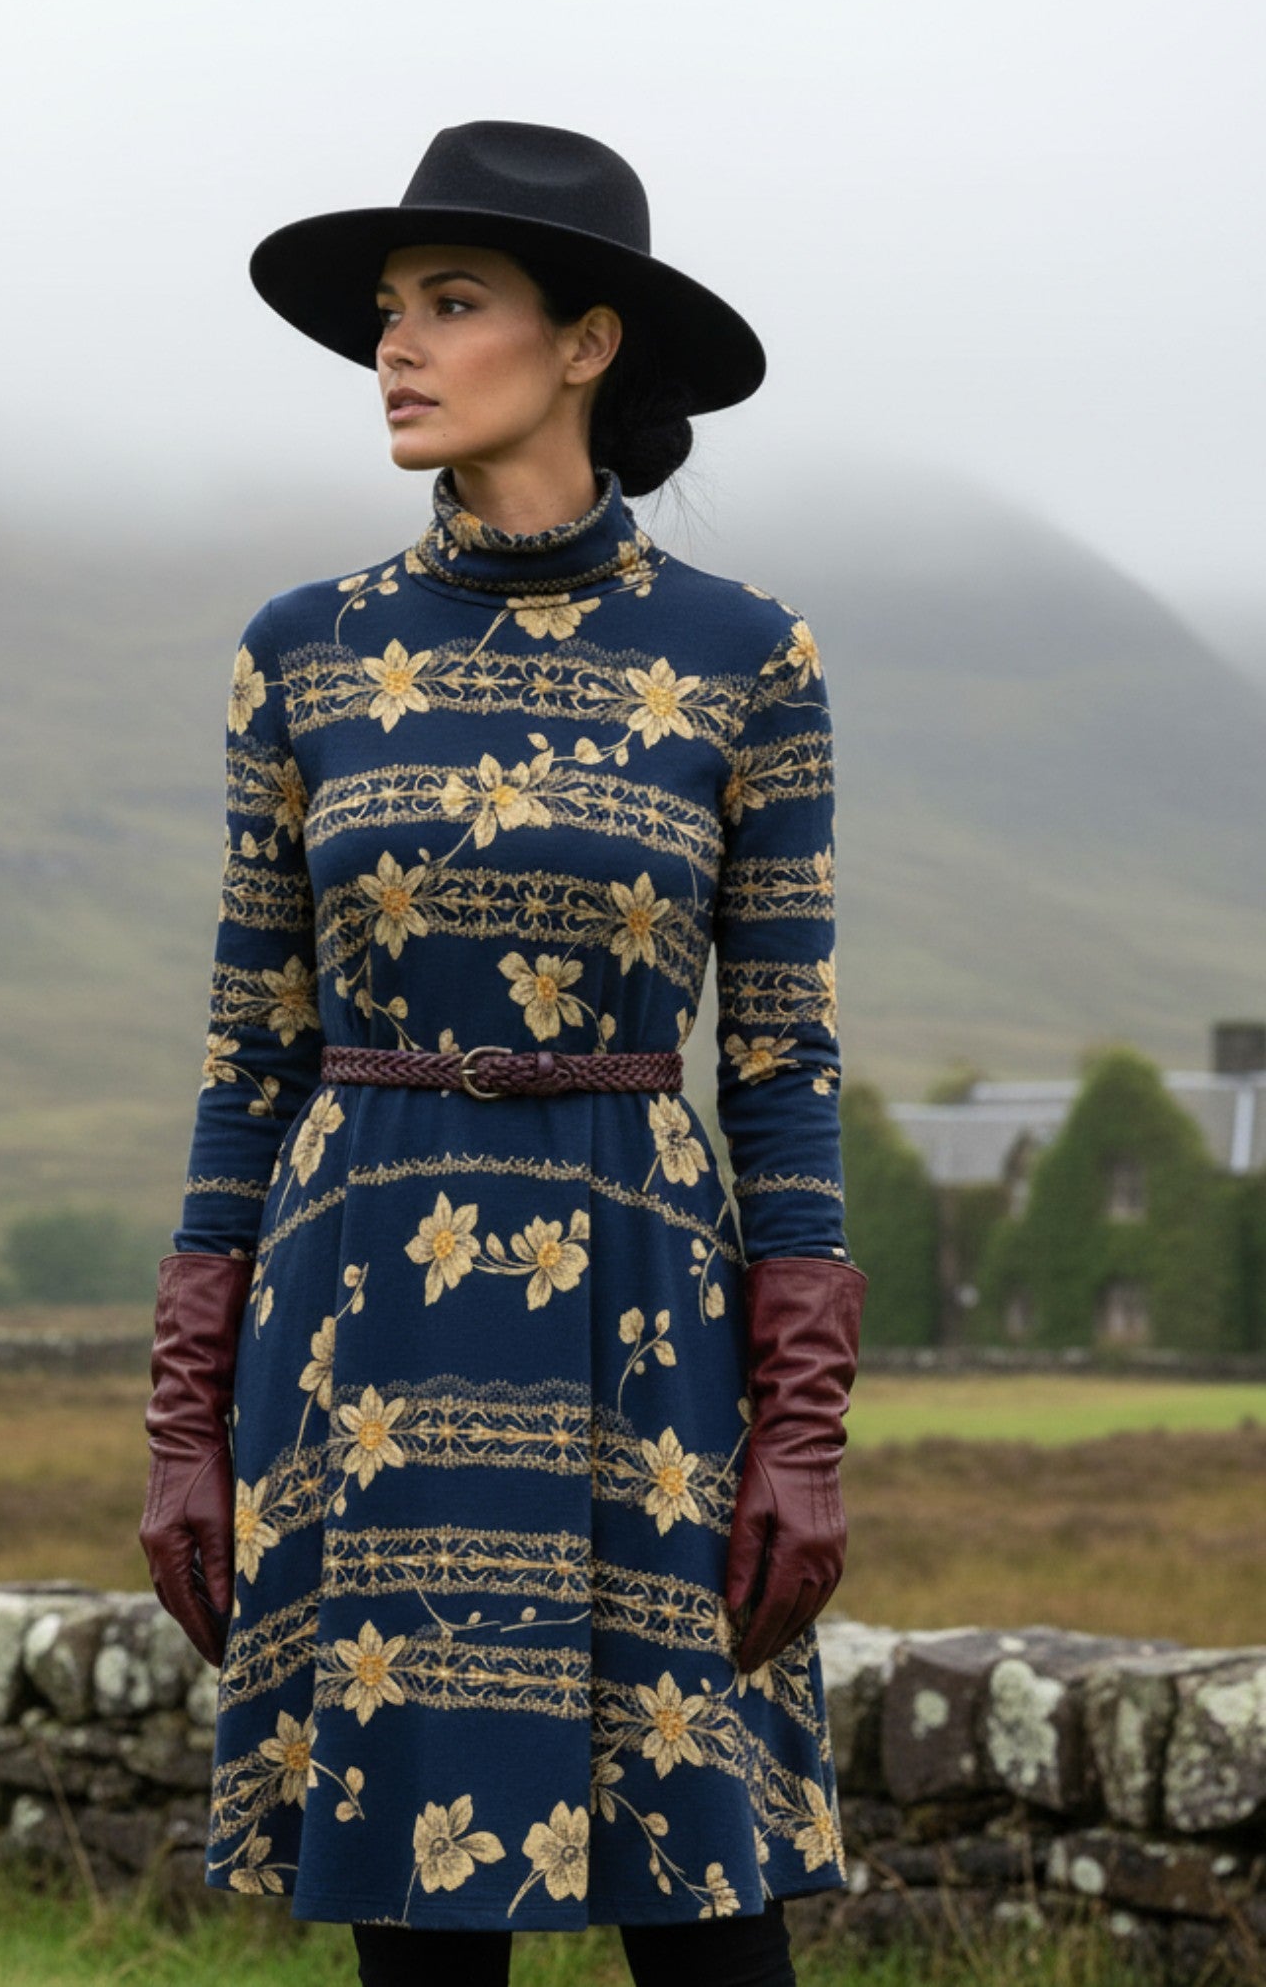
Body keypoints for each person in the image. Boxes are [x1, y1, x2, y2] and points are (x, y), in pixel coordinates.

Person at [139, 121, 869, 1987]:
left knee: (712, 1925)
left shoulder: (746, 659)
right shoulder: (299, 653)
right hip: (360, 1310)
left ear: (587, 342)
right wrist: (181, 1423)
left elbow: (783, 1064)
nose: (395, 347)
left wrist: (800, 1431)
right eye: (389, 312)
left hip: (643, 1299)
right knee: (418, 1928)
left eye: (450, 305)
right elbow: (249, 1051)